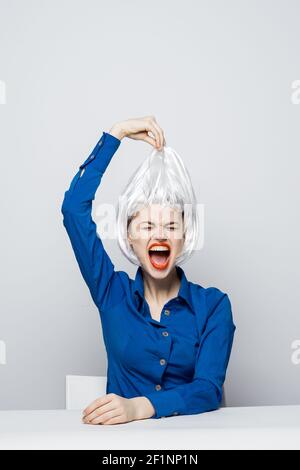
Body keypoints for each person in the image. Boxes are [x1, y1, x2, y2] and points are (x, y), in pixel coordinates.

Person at [61, 116, 236, 425]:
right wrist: (117, 134)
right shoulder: (112, 293)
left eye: (171, 226)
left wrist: (140, 407)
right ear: (129, 236)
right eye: (147, 226)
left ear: (185, 235)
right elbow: (74, 209)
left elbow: (208, 389)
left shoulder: (214, 306)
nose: (160, 235)